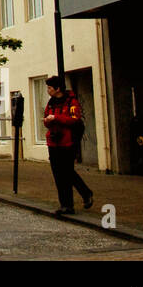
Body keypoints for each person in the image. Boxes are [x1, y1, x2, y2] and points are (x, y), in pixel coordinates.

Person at [44, 75, 93, 215]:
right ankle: (65, 204)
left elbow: (74, 119)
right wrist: (48, 120)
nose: (48, 90)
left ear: (58, 88)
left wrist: (56, 118)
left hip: (67, 141)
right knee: (58, 173)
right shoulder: (51, 103)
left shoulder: (71, 102)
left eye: (49, 88)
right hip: (53, 142)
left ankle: (81, 196)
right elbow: (46, 118)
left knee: (67, 171)